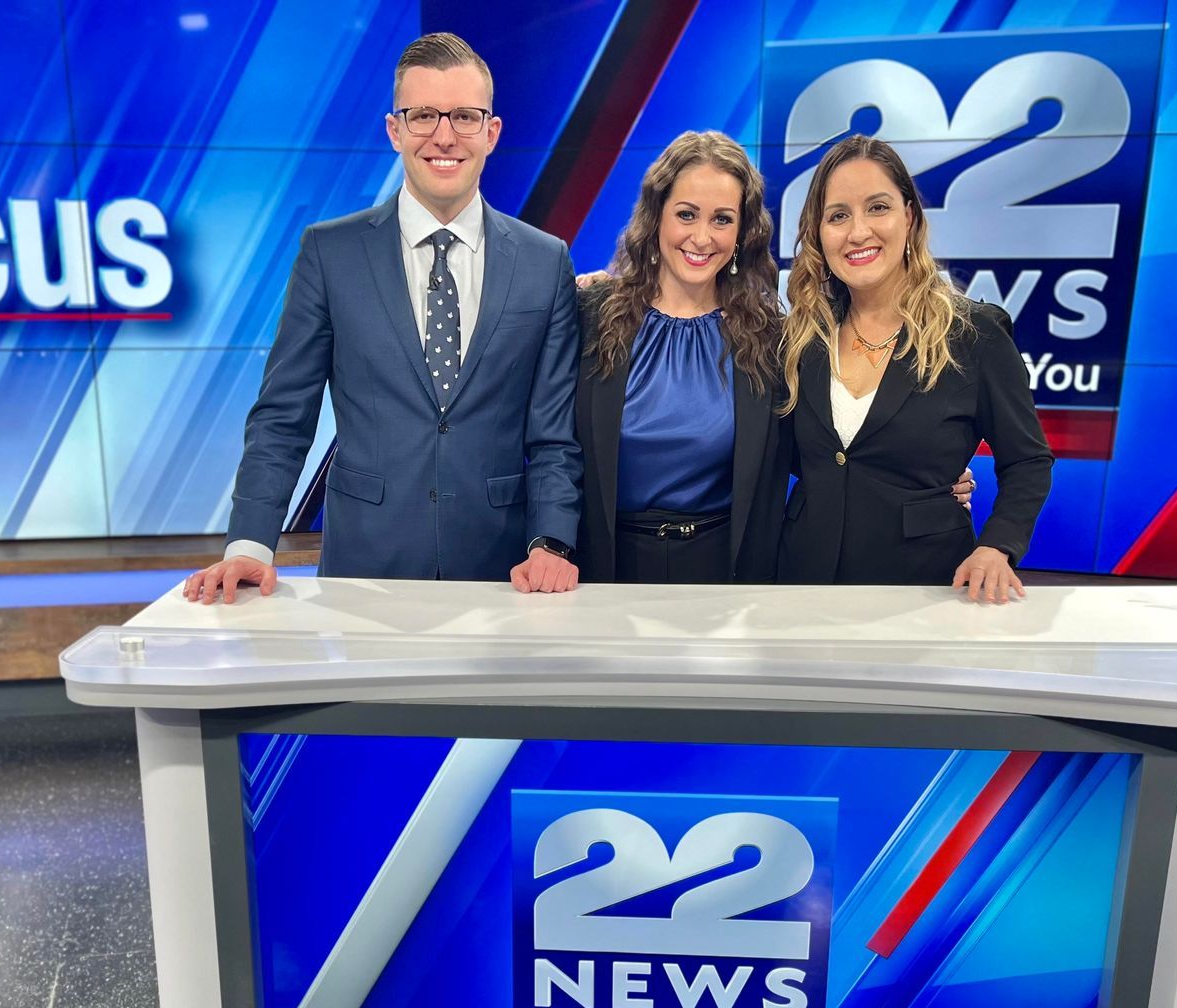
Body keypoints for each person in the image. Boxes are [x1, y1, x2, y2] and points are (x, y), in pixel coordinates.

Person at [183, 33, 581, 604]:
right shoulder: (330, 253)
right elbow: (282, 417)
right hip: (364, 571)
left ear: (491, 133)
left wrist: (553, 542)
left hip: (505, 572)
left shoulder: (546, 261)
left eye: (465, 116)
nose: (444, 136)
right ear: (394, 129)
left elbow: (554, 438)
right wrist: (249, 545)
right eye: (423, 115)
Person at [759, 135, 1052, 604]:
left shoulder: (975, 335)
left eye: (878, 207)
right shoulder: (796, 338)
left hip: (926, 587)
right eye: (838, 215)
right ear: (818, 234)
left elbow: (1028, 461)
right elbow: (794, 457)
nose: (858, 232)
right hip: (801, 583)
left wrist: (998, 546)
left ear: (910, 216)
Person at [574, 133, 785, 584]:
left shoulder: (771, 338)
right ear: (656, 218)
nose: (702, 237)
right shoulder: (590, 316)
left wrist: (928, 472)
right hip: (604, 571)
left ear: (743, 231)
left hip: (726, 578)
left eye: (722, 219)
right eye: (686, 214)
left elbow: (825, 451)